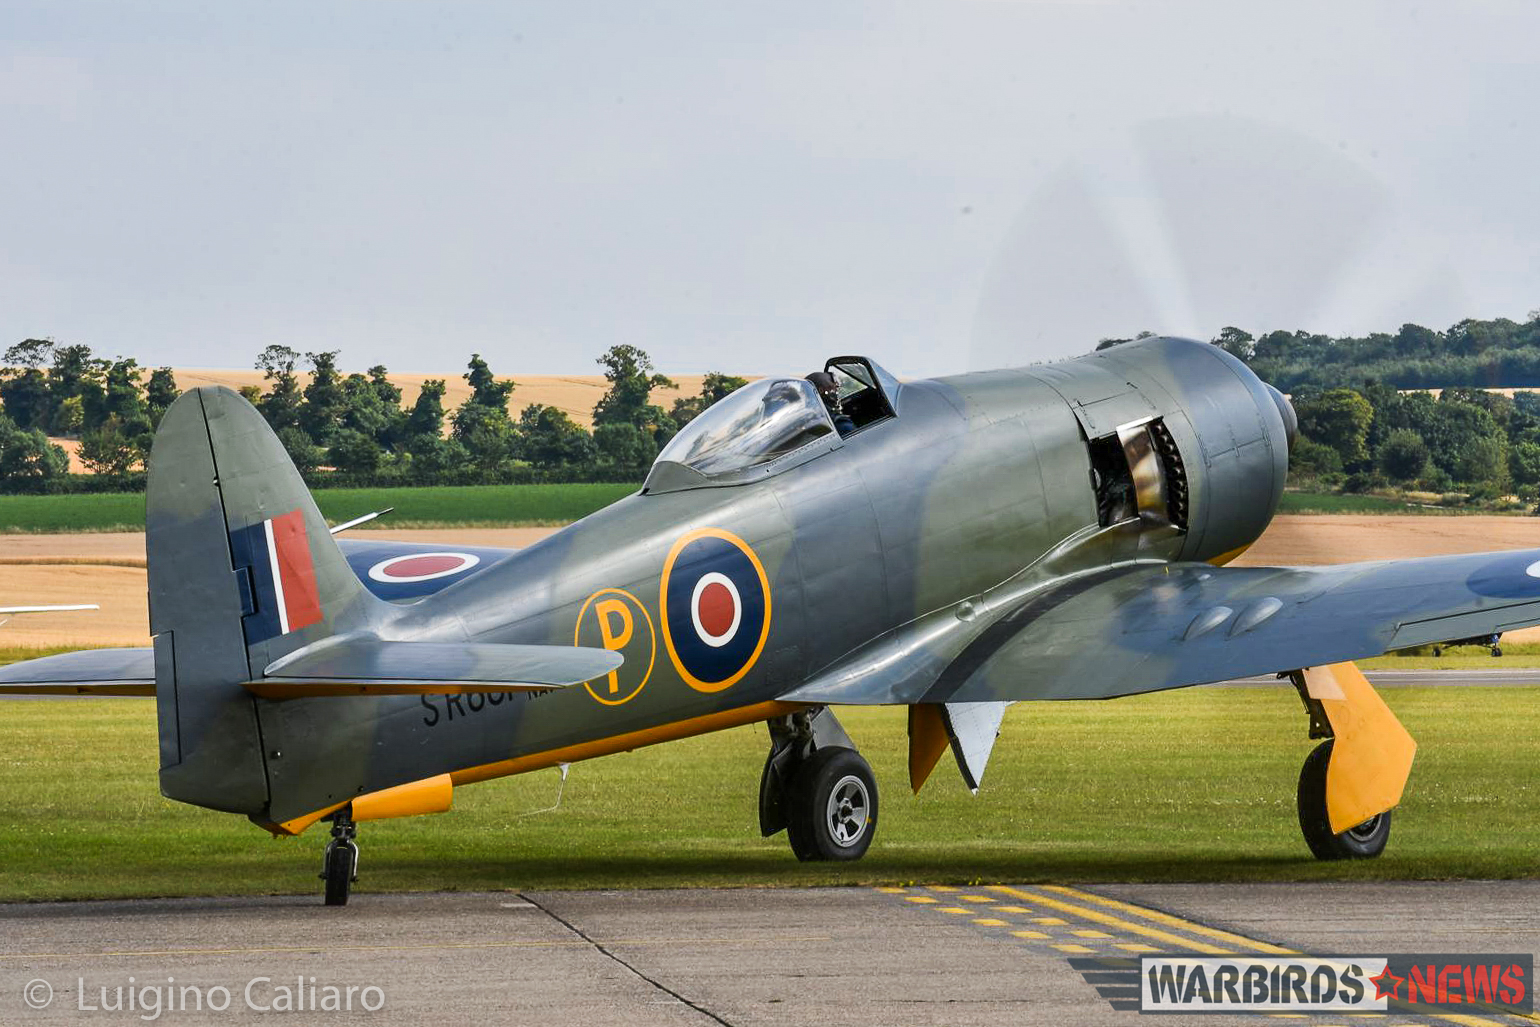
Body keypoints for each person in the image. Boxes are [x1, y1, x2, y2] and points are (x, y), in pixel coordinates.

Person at [806, 371, 856, 436]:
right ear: (821, 390)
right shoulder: (841, 424)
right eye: (833, 388)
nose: (836, 391)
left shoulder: (810, 415)